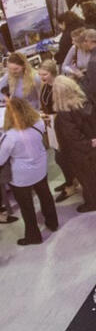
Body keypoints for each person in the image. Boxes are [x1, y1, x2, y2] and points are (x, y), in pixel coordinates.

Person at [0, 97, 59, 245]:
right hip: (40, 168)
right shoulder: (38, 123)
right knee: (46, 196)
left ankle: (33, 236)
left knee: (26, 207)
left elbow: (1, 159)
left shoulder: (10, 136)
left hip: (21, 176)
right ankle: (53, 222)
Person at [51, 76, 96, 212]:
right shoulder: (86, 99)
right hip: (93, 142)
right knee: (95, 172)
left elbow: (72, 137)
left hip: (78, 151)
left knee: (86, 178)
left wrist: (88, 143)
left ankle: (94, 203)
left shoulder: (64, 113)